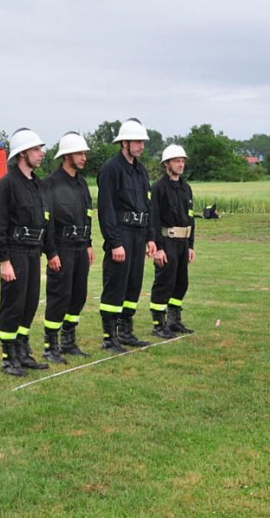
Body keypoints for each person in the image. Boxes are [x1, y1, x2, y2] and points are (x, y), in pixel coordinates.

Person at [0, 128, 51, 376]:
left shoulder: (37, 184)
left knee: (29, 303)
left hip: (33, 252)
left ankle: (23, 351)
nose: (42, 153)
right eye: (37, 149)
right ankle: (8, 357)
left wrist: (49, 250)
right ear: (23, 153)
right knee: (13, 304)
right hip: (14, 252)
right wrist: (4, 259)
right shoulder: (7, 184)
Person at [97, 118, 157, 353]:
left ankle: (126, 330)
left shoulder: (140, 170)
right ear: (124, 143)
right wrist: (115, 242)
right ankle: (109, 336)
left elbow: (147, 205)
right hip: (121, 234)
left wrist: (151, 237)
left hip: (139, 234)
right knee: (116, 284)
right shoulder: (111, 169)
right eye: (138, 141)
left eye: (143, 141)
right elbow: (107, 209)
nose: (142, 146)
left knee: (133, 284)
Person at [41, 132, 95, 362]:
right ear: (66, 156)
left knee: (78, 294)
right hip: (61, 246)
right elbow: (47, 221)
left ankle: (68, 340)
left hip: (81, 246)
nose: (84, 158)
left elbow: (88, 214)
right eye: (79, 153)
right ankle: (50, 345)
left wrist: (89, 243)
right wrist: (51, 251)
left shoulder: (82, 183)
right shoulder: (50, 183)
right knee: (59, 295)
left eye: (84, 153)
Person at [149, 144, 196, 338]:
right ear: (167, 163)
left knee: (181, 282)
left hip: (183, 244)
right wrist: (158, 248)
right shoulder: (159, 188)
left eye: (183, 160)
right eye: (177, 160)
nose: (181, 164)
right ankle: (158, 324)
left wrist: (191, 245)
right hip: (166, 241)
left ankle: (174, 320)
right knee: (164, 283)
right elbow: (154, 218)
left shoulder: (186, 188)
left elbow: (191, 217)